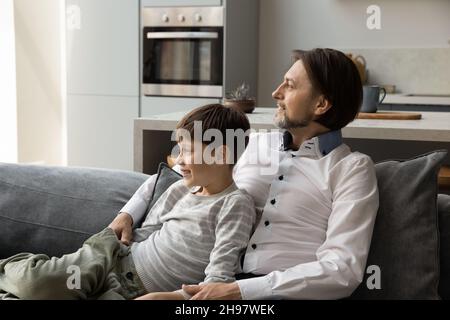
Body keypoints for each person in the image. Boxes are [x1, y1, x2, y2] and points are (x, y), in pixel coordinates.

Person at [125, 48, 380, 300]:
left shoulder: (351, 169)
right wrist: (126, 215)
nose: (275, 93)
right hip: (213, 284)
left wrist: (240, 291)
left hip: (274, 295)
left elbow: (343, 269)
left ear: (321, 104)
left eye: (289, 86)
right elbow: (183, 175)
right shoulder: (254, 143)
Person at [0, 104, 256, 300]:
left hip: (128, 291)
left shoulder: (234, 205)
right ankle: (10, 268)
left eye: (187, 151)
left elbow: (218, 280)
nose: (178, 160)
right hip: (107, 261)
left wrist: (171, 297)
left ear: (221, 153)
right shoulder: (179, 190)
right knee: (37, 284)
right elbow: (146, 232)